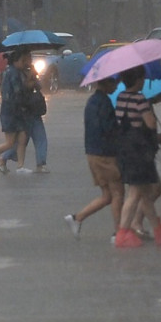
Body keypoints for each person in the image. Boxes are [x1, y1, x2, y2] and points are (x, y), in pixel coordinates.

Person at [113, 65, 161, 248]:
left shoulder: (121, 97)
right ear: (138, 79)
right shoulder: (139, 99)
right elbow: (149, 124)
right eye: (142, 78)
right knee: (135, 193)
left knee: (145, 193)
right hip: (140, 152)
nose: (143, 81)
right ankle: (123, 233)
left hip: (126, 149)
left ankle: (159, 231)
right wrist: (156, 130)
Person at [64, 77, 123, 242]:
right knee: (118, 193)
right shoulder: (103, 103)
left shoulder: (93, 101)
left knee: (107, 196)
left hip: (92, 153)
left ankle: (77, 218)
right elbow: (109, 129)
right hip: (105, 154)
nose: (116, 85)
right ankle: (119, 233)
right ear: (106, 83)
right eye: (114, 83)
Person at [0, 47, 30, 174]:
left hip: (15, 111)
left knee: (22, 138)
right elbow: (17, 93)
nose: (26, 62)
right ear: (16, 61)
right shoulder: (13, 73)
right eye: (23, 60)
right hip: (11, 112)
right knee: (10, 142)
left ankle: (20, 166)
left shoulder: (13, 71)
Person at [0, 54, 49, 173]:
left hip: (33, 108)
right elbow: (20, 90)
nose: (29, 61)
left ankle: (41, 163)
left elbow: (39, 86)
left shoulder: (28, 70)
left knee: (37, 138)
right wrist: (29, 78)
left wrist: (34, 75)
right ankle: (2, 158)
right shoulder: (15, 73)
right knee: (22, 141)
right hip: (24, 109)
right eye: (27, 59)